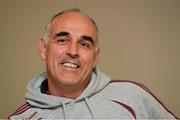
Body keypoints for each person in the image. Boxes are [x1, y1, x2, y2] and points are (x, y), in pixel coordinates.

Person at [9, 8, 178, 119]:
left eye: (84, 44)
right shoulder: (21, 118)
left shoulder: (134, 96)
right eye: (62, 40)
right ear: (43, 49)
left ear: (95, 57)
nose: (73, 51)